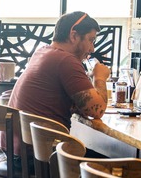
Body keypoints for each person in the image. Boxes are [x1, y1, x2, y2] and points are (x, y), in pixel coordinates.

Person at [7, 11, 110, 154]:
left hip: (19, 150)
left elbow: (80, 105)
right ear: (74, 35)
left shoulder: (42, 52)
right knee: (117, 163)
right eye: (91, 40)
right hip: (40, 156)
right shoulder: (65, 60)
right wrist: (99, 78)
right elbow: (96, 110)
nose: (92, 49)